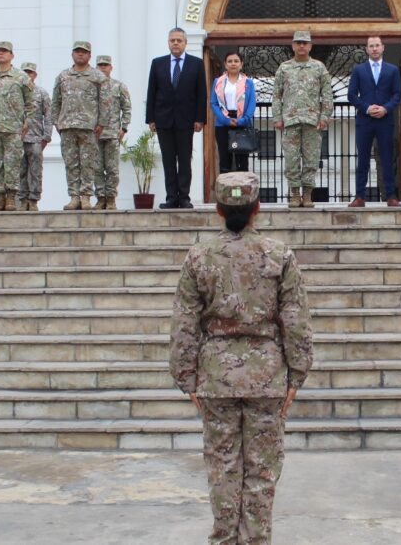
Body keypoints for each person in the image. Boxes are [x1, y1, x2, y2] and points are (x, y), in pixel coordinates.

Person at [170, 171, 313, 545]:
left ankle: (223, 538)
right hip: (266, 376)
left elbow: (185, 322)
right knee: (262, 470)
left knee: (222, 466)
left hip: (217, 376)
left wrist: (186, 376)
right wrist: (297, 374)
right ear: (257, 209)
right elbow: (296, 320)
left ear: (218, 210)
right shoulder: (279, 255)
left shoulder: (199, 257)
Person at [273, 30, 333, 209]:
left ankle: (307, 195)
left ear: (310, 46)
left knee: (311, 159)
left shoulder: (319, 67)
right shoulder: (284, 68)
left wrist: (324, 116)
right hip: (290, 121)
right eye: (298, 42)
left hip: (312, 121)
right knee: (291, 159)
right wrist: (277, 117)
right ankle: (294, 194)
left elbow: (327, 94)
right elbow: (276, 95)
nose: (301, 46)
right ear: (292, 45)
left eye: (304, 43)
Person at [148, 27, 207, 209]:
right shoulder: (158, 63)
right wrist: (150, 118)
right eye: (172, 40)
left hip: (186, 120)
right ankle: (171, 198)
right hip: (163, 120)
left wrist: (200, 119)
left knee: (184, 160)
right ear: (168, 42)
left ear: (185, 43)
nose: (175, 43)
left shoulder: (196, 64)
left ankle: (184, 198)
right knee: (168, 161)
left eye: (179, 40)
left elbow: (201, 93)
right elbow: (152, 92)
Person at [52, 40, 109, 211]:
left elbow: (105, 102)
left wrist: (101, 123)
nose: (80, 54)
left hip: (88, 126)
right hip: (67, 126)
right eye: (77, 51)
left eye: (84, 52)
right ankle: (74, 197)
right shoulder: (63, 76)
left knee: (88, 163)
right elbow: (56, 101)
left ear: (89, 55)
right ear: (72, 54)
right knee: (71, 163)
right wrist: (57, 121)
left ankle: (85, 197)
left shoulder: (97, 76)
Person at [347, 35, 401, 207]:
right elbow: (351, 95)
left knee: (387, 158)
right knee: (362, 159)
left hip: (385, 120)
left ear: (383, 47)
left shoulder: (392, 70)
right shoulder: (359, 70)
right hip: (365, 120)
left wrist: (385, 108)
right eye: (371, 46)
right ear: (367, 49)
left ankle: (391, 195)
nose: (374, 49)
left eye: (377, 45)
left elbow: (397, 95)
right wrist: (367, 108)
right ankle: (360, 196)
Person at [0, 41, 34, 213]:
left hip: (13, 127)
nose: (1, 54)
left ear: (12, 55)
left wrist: (28, 120)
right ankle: (0, 197)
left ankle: (11, 196)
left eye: (4, 51)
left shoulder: (21, 77)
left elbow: (30, 102)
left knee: (11, 164)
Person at [94, 55, 132, 210]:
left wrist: (124, 128)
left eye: (106, 65)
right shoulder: (91, 86)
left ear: (111, 67)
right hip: (94, 134)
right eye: (100, 65)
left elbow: (127, 108)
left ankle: (110, 198)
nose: (103, 68)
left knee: (112, 169)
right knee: (96, 168)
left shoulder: (118, 86)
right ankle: (100, 198)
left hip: (112, 133)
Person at [210, 51, 257, 175]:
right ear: (225, 64)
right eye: (230, 61)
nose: (233, 64)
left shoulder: (248, 83)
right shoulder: (218, 82)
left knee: (242, 161)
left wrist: (242, 120)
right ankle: (227, 194)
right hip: (222, 123)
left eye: (236, 61)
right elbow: (214, 103)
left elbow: (252, 103)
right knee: (225, 161)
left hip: (242, 123)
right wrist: (225, 120)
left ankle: (241, 193)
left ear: (241, 64)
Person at [19, 62, 52, 211]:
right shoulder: (15, 92)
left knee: (35, 171)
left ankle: (33, 200)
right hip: (17, 139)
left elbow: (49, 115)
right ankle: (22, 199)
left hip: (36, 138)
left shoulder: (41, 93)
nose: (27, 75)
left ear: (35, 75)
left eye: (30, 72)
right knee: (20, 171)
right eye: (25, 72)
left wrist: (47, 136)